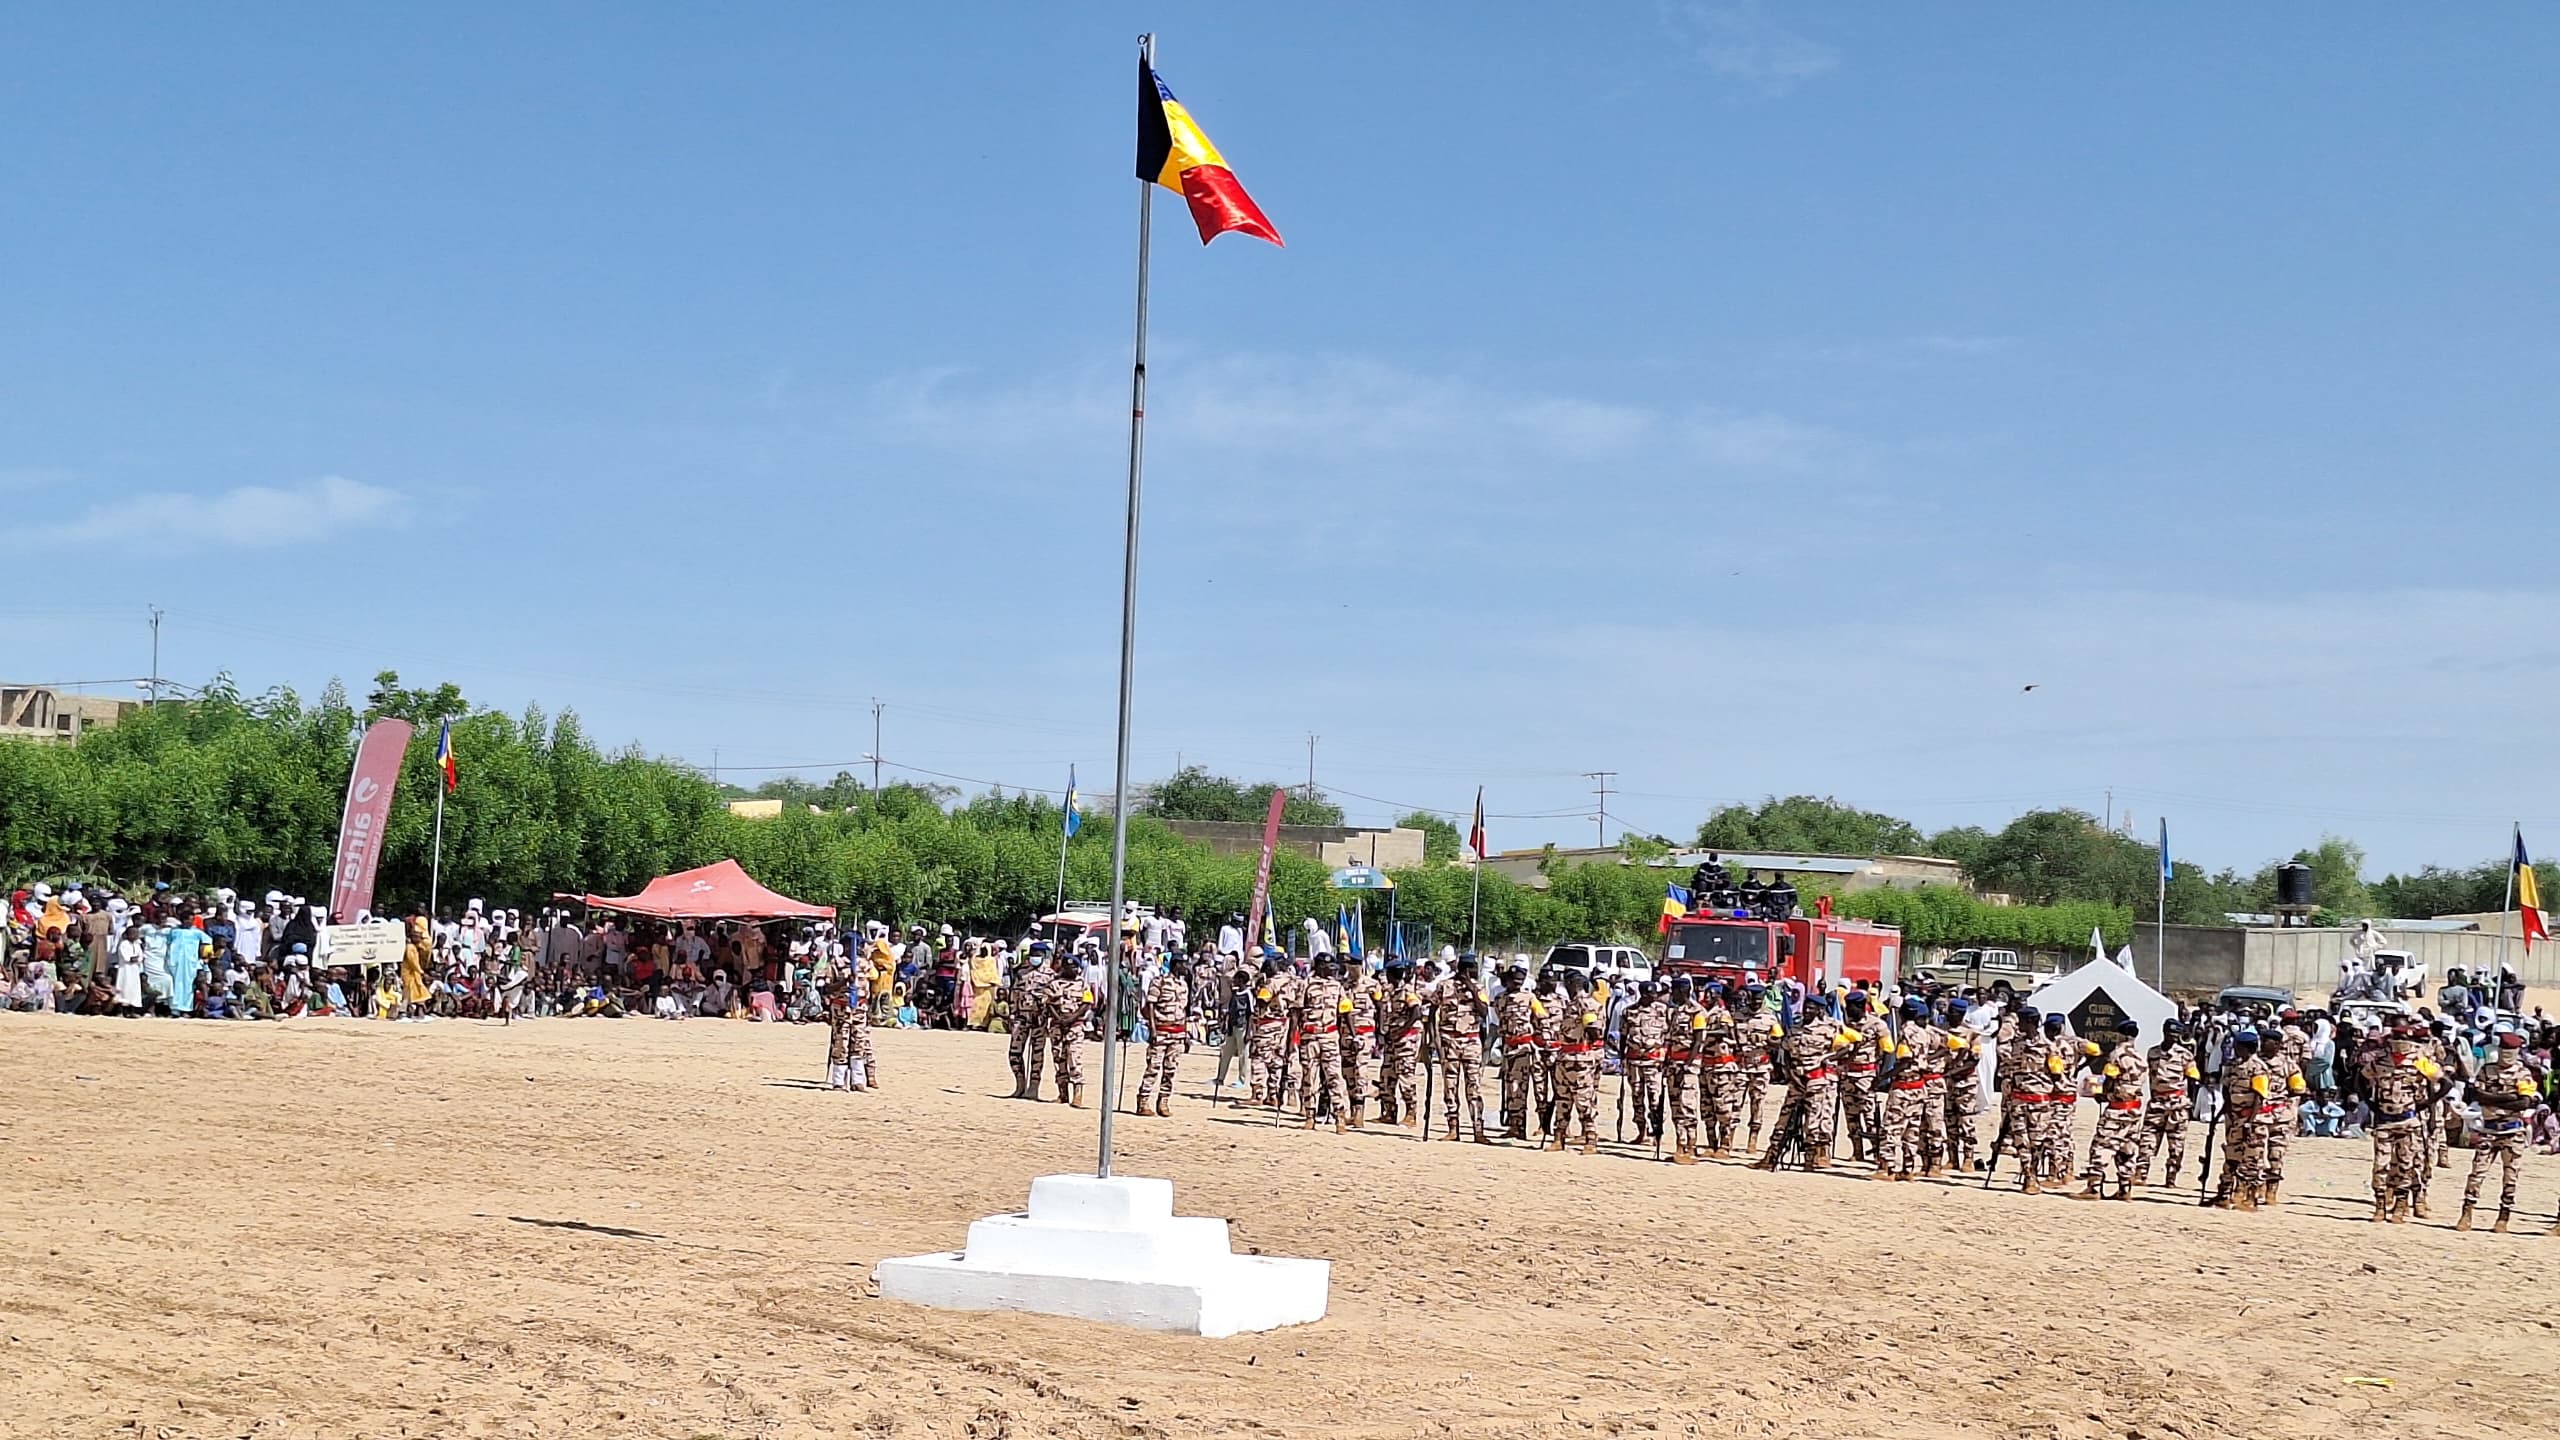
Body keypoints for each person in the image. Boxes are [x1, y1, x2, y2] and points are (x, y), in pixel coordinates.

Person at [2458, 1030, 2537, 1233]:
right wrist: (2509, 1097)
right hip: (2489, 1129)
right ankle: (2467, 1212)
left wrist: (2495, 1097)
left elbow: (2524, 1102)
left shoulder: (2523, 1073)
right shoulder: (2487, 1070)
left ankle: (2503, 1216)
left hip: (2512, 1131)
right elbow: (2478, 1095)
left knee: (2510, 1176)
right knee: (2477, 1174)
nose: (2506, 1056)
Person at [2361, 1021, 2440, 1222]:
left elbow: (2442, 1082)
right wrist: (2371, 1104)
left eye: (2404, 1039)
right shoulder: (2380, 1061)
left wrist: (2425, 1105)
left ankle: (2401, 1205)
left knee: (2407, 1164)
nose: (2400, 1043)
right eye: (2397, 1039)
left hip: (2409, 1122)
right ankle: (2380, 1205)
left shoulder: (2419, 1061)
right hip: (2385, 1121)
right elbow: (2360, 1079)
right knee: (2381, 1165)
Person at [2074, 1019, 2148, 1200]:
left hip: (2117, 1108)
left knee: (2101, 1145)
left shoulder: (2117, 1055)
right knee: (2127, 1148)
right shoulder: (2140, 1057)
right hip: (2134, 1108)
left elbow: (2109, 1080)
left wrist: (2101, 1094)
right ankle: (2124, 1188)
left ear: (2120, 1035)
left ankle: (2094, 1187)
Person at [1876, 996, 1940, 1181]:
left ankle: (1887, 1168)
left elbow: (1905, 1060)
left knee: (1892, 1127)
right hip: (1919, 1086)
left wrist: (1885, 1076)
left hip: (1903, 1086)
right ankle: (1908, 1168)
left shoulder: (1906, 1032)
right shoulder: (1924, 1033)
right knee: (1912, 1129)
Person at [2208, 1029, 2271, 1211]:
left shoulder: (2258, 1068)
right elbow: (2227, 1090)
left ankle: (2250, 1197)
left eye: (2238, 1047)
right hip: (2234, 1118)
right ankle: (2224, 1194)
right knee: (2231, 1155)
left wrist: (2250, 1121)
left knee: (2252, 1158)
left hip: (2252, 1118)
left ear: (2247, 1048)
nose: (2234, 1049)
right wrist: (2223, 1113)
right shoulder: (2234, 1066)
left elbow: (2260, 1096)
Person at [1433, 954, 1492, 1144]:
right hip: (1449, 1040)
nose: (1473, 971)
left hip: (1471, 1042)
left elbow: (1484, 1012)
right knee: (1450, 1086)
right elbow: (1433, 1009)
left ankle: (1478, 1130)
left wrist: (1472, 988)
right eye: (1471, 968)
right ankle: (1453, 1128)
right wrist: (1434, 1040)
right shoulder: (1444, 986)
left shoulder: (1479, 987)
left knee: (1473, 1087)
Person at [1293, 956, 1352, 1132]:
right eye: (1328, 966)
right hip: (1309, 1036)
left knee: (1334, 1077)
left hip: (1330, 1036)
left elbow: (1345, 1011)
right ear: (1319, 966)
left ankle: (1339, 1117)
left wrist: (1352, 1036)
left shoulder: (1337, 986)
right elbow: (1296, 1013)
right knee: (1309, 1077)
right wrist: (1291, 1040)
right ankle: (1310, 1115)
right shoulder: (1306, 984)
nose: (1332, 969)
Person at [1547, 969, 1603, 1155]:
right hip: (1565, 1058)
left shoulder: (1584, 1004)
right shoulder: (1571, 1004)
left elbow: (1594, 1031)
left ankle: (1590, 1139)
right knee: (1562, 1100)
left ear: (1574, 984)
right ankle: (1558, 1138)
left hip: (1579, 1059)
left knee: (1583, 1101)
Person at [2140, 1019, 2200, 1185]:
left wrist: (2190, 1103)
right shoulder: (2152, 1053)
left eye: (2175, 1035)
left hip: (2177, 1104)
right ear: (2163, 1032)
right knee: (2147, 1140)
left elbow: (2193, 1079)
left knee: (2176, 1144)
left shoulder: (2185, 1055)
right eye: (2169, 1034)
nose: (2172, 1037)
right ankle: (2141, 1173)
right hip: (2157, 1103)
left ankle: (2171, 1177)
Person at [1134, 957, 1191, 1118]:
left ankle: (1164, 1101)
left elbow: (1183, 1010)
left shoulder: (1183, 985)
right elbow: (1150, 1004)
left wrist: (1186, 1033)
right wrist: (1152, 1028)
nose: (1185, 967)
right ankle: (1143, 1100)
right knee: (1153, 1067)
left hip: (1177, 1032)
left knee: (1171, 1069)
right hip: (1160, 1030)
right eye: (1182, 964)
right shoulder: (1159, 982)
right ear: (1176, 965)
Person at [1618, 980, 1670, 1152]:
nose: (1654, 996)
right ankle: (1641, 1132)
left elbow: (1669, 1036)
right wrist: (1621, 1055)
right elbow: (1623, 1035)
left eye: (1655, 993)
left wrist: (1666, 1055)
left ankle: (1656, 1133)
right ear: (1643, 994)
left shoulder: (1664, 1011)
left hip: (1654, 1061)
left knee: (1656, 1098)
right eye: (1651, 993)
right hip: (1634, 1061)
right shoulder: (1629, 1011)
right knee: (1637, 1097)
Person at [1493, 966, 1541, 1141]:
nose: (1517, 982)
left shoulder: (1530, 998)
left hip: (1524, 1046)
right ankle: (1514, 1125)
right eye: (1514, 979)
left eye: (1520, 979)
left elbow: (1540, 1017)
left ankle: (1522, 1126)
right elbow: (1499, 1018)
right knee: (1510, 1088)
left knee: (1520, 1088)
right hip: (1508, 1046)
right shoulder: (1500, 999)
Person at [1663, 976, 1706, 1165]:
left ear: (1683, 991)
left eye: (1675, 991)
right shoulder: (1674, 1012)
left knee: (1687, 1106)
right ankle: (1680, 1146)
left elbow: (1698, 1041)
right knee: (1675, 1107)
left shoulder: (1697, 1012)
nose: (1672, 995)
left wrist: (1687, 1065)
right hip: (1673, 1064)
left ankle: (1691, 1146)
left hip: (1688, 1066)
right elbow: (1671, 1039)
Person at [1045, 947, 1094, 1108]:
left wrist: (1072, 1018)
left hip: (1075, 1026)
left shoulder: (1082, 984)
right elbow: (1048, 1003)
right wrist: (1058, 1018)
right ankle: (1062, 1093)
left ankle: (1078, 1094)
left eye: (1074, 967)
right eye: (1068, 967)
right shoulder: (1054, 983)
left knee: (1074, 1058)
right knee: (1059, 1059)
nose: (1071, 970)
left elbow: (1087, 1003)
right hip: (1057, 1027)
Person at [1007, 941, 1052, 1099]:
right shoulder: (1022, 972)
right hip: (1021, 1018)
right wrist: (1012, 1013)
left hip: (1039, 1019)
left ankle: (1033, 1088)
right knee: (1014, 1053)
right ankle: (1020, 1085)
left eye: (1038, 955)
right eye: (1033, 955)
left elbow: (1051, 997)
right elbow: (1014, 993)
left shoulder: (1050, 975)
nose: (1035, 958)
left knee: (1037, 1054)